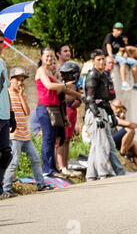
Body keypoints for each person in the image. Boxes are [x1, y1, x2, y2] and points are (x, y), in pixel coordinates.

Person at [2, 68, 53, 198]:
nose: (20, 83)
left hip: (25, 134)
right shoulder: (7, 94)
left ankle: (41, 184)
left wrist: (21, 96)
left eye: (22, 80)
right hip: (14, 135)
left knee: (35, 158)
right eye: (17, 80)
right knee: (13, 162)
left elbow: (26, 112)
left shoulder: (21, 95)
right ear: (10, 80)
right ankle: (6, 188)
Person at [35, 47, 80, 175]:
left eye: (51, 57)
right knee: (48, 139)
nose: (49, 59)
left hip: (54, 109)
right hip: (44, 108)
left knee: (55, 139)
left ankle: (52, 168)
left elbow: (61, 90)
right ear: (41, 57)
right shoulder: (41, 71)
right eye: (47, 56)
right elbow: (49, 86)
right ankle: (47, 169)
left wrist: (78, 95)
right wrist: (65, 85)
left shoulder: (50, 72)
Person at [84, 49, 122, 181]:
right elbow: (90, 99)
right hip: (94, 112)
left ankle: (91, 175)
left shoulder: (103, 75)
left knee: (99, 144)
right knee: (101, 144)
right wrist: (97, 116)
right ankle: (103, 173)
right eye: (98, 60)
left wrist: (111, 115)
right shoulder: (92, 76)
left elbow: (105, 100)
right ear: (93, 62)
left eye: (102, 59)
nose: (101, 62)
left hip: (102, 111)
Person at [54, 43, 83, 176]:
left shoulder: (75, 68)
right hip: (62, 108)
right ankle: (59, 167)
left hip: (72, 109)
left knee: (67, 139)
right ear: (58, 54)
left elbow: (79, 88)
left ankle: (65, 166)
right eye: (64, 51)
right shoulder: (56, 70)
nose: (68, 53)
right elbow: (58, 90)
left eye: (69, 50)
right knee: (60, 139)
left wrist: (78, 99)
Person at [102, 22, 137, 91]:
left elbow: (125, 48)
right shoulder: (109, 36)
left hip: (115, 56)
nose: (119, 32)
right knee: (123, 61)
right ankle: (124, 83)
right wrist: (111, 57)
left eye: (120, 30)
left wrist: (130, 56)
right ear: (113, 29)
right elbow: (108, 46)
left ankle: (136, 84)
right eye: (117, 30)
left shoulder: (119, 38)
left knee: (134, 62)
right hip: (108, 55)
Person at [110, 99, 137, 172]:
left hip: (113, 141)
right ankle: (123, 153)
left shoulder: (116, 117)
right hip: (107, 142)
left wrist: (122, 116)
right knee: (130, 129)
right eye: (117, 107)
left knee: (134, 143)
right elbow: (128, 125)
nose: (119, 110)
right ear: (111, 106)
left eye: (121, 108)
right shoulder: (110, 115)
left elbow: (123, 125)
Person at [0, 34, 17, 197]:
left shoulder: (2, 63)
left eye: (1, 42)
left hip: (4, 114)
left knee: (6, 153)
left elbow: (6, 90)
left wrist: (11, 113)